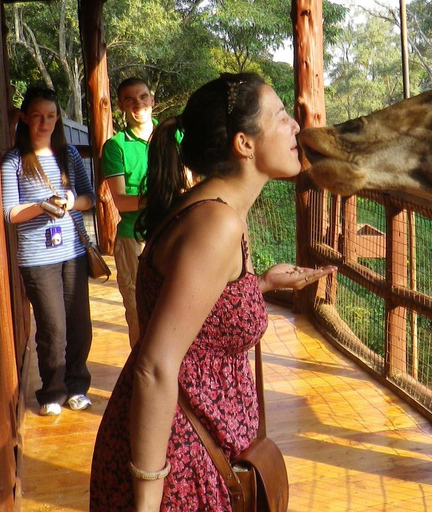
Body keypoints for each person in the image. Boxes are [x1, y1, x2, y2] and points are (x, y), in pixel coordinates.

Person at [90, 73, 336, 511]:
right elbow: (155, 366)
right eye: (281, 116)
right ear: (245, 144)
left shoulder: (212, 208)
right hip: (182, 463)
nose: (296, 126)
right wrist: (148, 498)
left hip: (196, 449)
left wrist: (259, 285)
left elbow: (196, 310)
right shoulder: (217, 224)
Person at [1, 87, 96, 416]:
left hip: (72, 252)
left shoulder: (67, 155)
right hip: (37, 258)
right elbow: (10, 212)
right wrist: (41, 207)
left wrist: (71, 201)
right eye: (38, 116)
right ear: (25, 118)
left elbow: (90, 198)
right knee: (53, 327)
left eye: (51, 116)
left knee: (79, 324)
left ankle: (77, 386)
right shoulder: (13, 160)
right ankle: (52, 391)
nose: (45, 122)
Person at [101, 77, 155, 347]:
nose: (138, 104)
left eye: (143, 97)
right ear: (121, 105)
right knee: (139, 312)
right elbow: (121, 201)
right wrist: (162, 195)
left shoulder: (173, 137)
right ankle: (138, 381)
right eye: (130, 99)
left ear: (152, 99)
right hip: (134, 237)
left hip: (172, 232)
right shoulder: (116, 146)